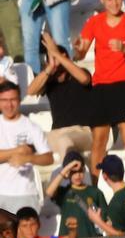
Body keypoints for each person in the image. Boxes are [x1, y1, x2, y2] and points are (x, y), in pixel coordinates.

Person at [77, 0, 125, 182]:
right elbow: (81, 53)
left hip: (124, 83)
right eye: (109, 0)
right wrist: (77, 49)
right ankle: (96, 186)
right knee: (99, 139)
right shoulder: (94, 22)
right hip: (101, 85)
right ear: (102, 0)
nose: (114, 4)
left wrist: (124, 49)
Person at [27, 35, 94, 163]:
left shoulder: (80, 73)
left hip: (82, 131)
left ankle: (67, 180)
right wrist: (50, 67)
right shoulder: (50, 82)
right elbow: (31, 91)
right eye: (54, 59)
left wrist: (57, 55)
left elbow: (85, 79)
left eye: (61, 58)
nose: (58, 63)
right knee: (28, 144)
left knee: (65, 141)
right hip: (57, 132)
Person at [45, 152, 107, 238]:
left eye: (80, 171)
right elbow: (49, 192)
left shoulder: (95, 193)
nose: (77, 175)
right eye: (73, 173)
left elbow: (106, 223)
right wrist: (67, 168)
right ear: (68, 174)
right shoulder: (64, 193)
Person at [0, 80, 52, 214]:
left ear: (19, 100)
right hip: (1, 193)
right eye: (4, 100)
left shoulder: (31, 127)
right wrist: (18, 151)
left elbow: (48, 158)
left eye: (13, 100)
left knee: (25, 235)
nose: (9, 105)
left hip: (25, 194)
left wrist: (28, 158)